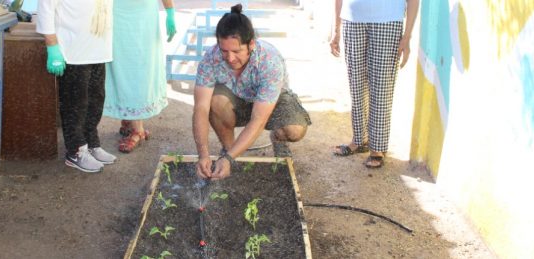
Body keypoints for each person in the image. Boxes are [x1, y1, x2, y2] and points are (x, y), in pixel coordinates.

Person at [192, 4, 311, 180]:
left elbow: (259, 119)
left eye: (237, 51)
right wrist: (203, 154)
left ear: (251, 44)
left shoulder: (269, 60)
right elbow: (200, 109)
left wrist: (228, 159)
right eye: (224, 51)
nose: (230, 58)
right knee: (214, 102)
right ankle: (229, 150)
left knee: (294, 130)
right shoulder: (210, 58)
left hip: (272, 102)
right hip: (237, 99)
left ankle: (277, 139)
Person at [330, 0, 419, 168]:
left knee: (381, 88)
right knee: (356, 85)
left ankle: (377, 148)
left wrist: (407, 37)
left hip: (387, 21)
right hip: (352, 19)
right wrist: (336, 29)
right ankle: (359, 140)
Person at [37, 0, 118, 173]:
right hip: (72, 50)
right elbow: (46, 8)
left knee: (96, 100)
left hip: (98, 48)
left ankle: (91, 143)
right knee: (75, 105)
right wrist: (52, 46)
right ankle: (76, 150)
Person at [103, 0, 176, 153]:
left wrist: (170, 11)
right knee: (121, 64)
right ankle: (129, 116)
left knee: (139, 67)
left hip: (143, 17)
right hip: (117, 15)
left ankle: (138, 130)